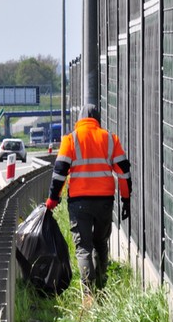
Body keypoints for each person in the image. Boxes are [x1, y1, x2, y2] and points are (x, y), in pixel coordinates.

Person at [45, 104, 132, 290]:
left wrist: (53, 198)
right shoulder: (110, 139)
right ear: (97, 120)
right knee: (100, 242)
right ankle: (102, 283)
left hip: (79, 201)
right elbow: (124, 172)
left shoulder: (71, 139)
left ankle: (88, 291)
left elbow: (59, 172)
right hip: (105, 201)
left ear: (80, 119)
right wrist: (126, 199)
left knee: (83, 247)